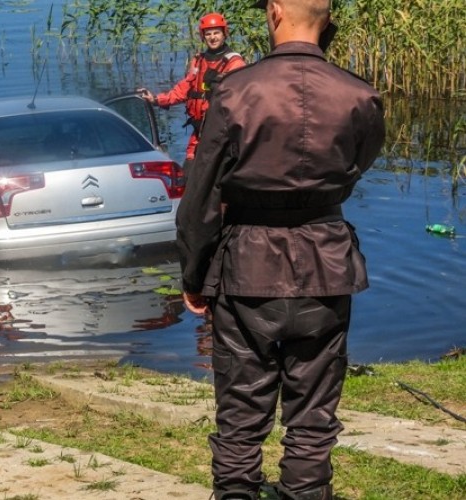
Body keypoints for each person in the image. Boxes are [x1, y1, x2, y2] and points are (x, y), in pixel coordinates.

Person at [175, 0, 385, 499]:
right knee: (313, 413)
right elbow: (358, 167)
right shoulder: (360, 95)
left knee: (241, 410)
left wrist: (194, 273)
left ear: (273, 12)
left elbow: (201, 198)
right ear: (327, 20)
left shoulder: (234, 91)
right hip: (326, 261)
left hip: (247, 262)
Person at [140, 12, 246, 161]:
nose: (213, 37)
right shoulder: (198, 61)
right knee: (189, 176)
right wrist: (157, 99)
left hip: (220, 136)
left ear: (224, 34)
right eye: (208, 34)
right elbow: (184, 89)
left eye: (217, 33)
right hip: (198, 134)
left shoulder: (234, 63)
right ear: (203, 36)